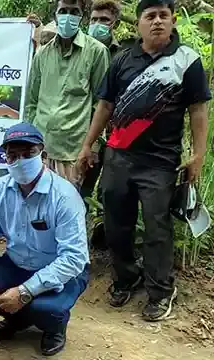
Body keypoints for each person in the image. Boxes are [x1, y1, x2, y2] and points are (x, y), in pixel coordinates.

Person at [77, 0, 210, 321]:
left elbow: (198, 109)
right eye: (150, 16)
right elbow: (105, 106)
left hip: (160, 162)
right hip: (119, 157)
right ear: (138, 24)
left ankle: (161, 290)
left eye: (164, 16)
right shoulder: (122, 60)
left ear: (173, 20)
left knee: (157, 228)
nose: (157, 22)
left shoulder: (187, 60)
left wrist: (198, 154)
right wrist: (88, 144)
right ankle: (126, 278)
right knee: (115, 224)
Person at [0, 123, 89, 356]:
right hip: (17, 263)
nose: (20, 161)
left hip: (60, 269)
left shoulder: (64, 196)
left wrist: (25, 291)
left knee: (47, 309)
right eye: (12, 155)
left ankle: (54, 328)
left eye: (28, 153)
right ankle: (17, 319)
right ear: (5, 158)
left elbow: (74, 258)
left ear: (44, 154)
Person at [26, 0, 110, 186]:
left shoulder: (97, 52)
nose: (67, 16)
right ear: (56, 15)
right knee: (37, 207)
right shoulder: (43, 54)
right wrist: (28, 143)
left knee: (67, 209)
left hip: (73, 152)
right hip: (40, 149)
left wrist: (91, 147)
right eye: (63, 10)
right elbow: (32, 102)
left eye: (74, 11)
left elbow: (101, 105)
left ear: (82, 17)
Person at [84, 0, 123, 249]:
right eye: (94, 20)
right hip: (84, 131)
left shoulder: (123, 55)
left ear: (114, 24)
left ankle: (102, 237)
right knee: (83, 185)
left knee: (109, 189)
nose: (98, 25)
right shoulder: (82, 50)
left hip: (117, 134)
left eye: (104, 21)